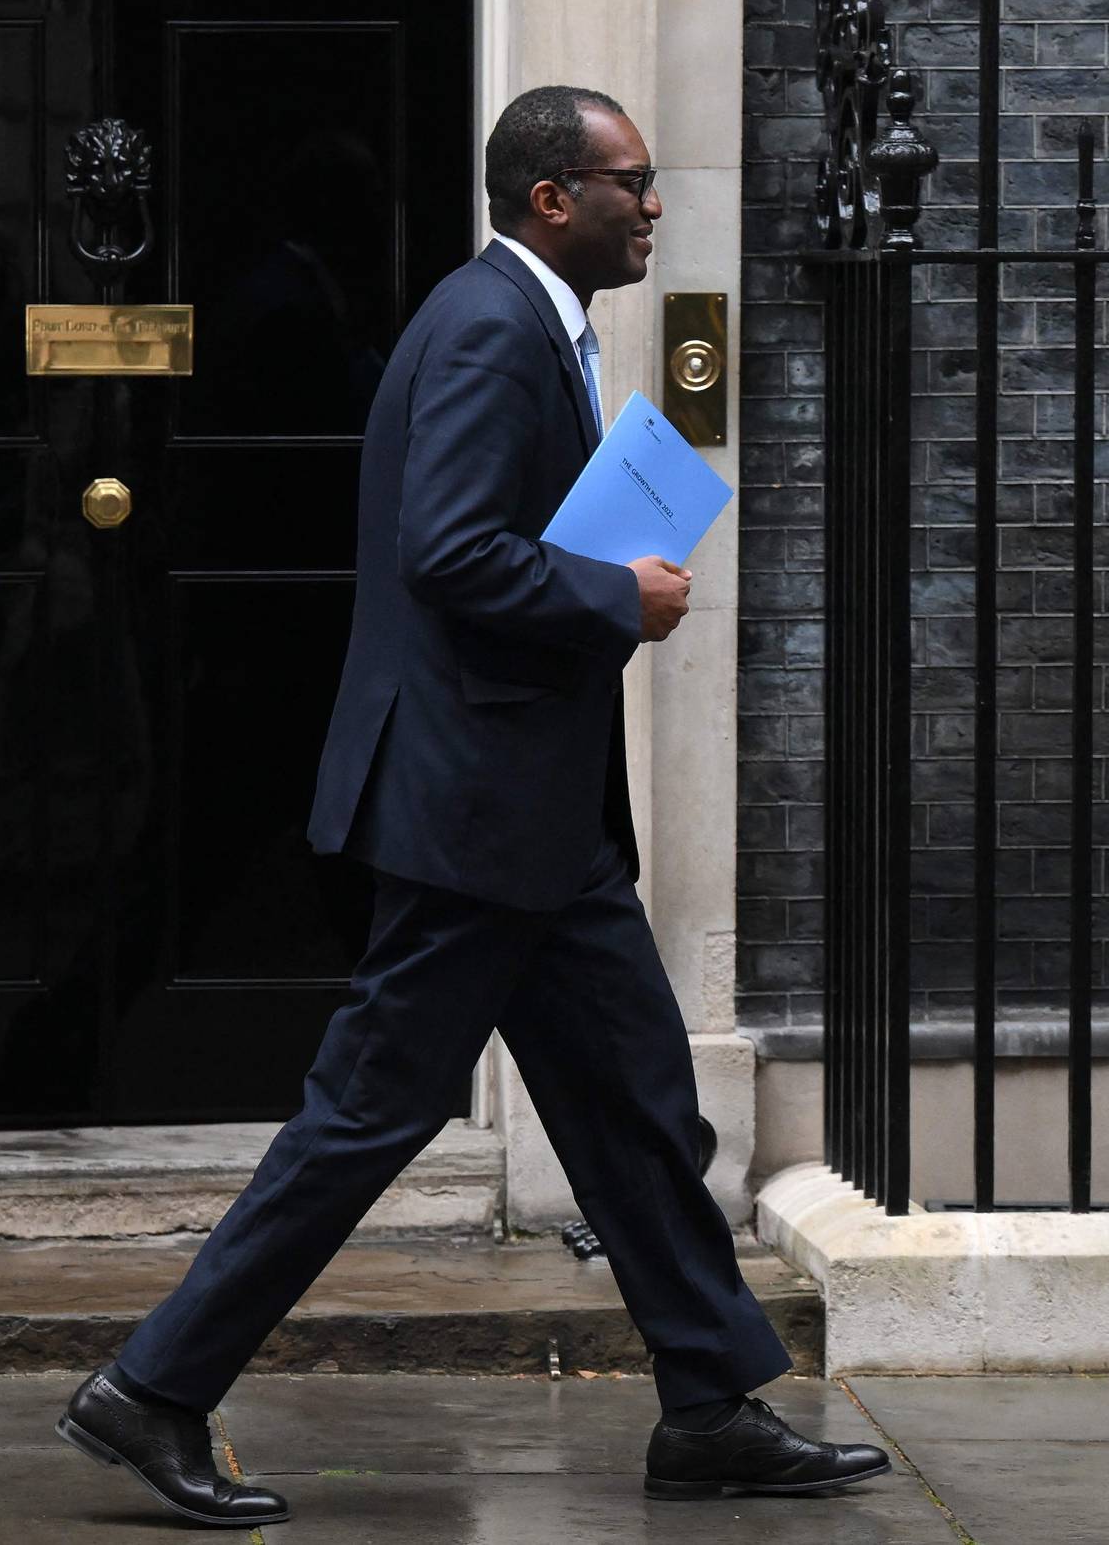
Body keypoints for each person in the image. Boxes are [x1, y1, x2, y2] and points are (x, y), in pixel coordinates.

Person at [55, 86, 888, 1524]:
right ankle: (155, 1389)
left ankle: (708, 1405)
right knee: (365, 1119)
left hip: (534, 821)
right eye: (633, 183)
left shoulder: (517, 321)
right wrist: (612, 595)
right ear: (554, 196)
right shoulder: (494, 327)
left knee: (635, 1109)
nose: (656, 206)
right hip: (477, 813)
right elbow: (449, 550)